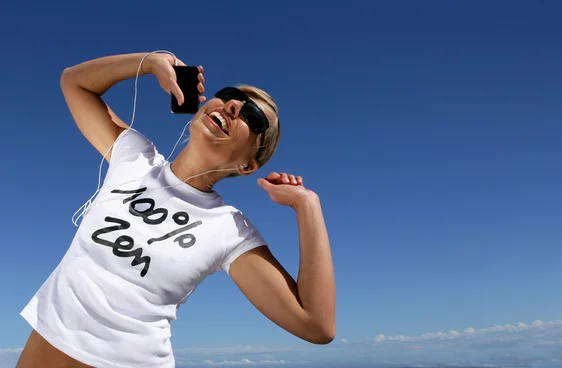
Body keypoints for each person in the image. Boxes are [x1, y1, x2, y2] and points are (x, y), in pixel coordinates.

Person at [16, 52, 336, 368]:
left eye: (253, 118)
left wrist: (307, 205)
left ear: (247, 165)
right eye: (229, 95)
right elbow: (74, 82)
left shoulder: (228, 229)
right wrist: (149, 61)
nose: (234, 105)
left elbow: (317, 326)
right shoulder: (135, 157)